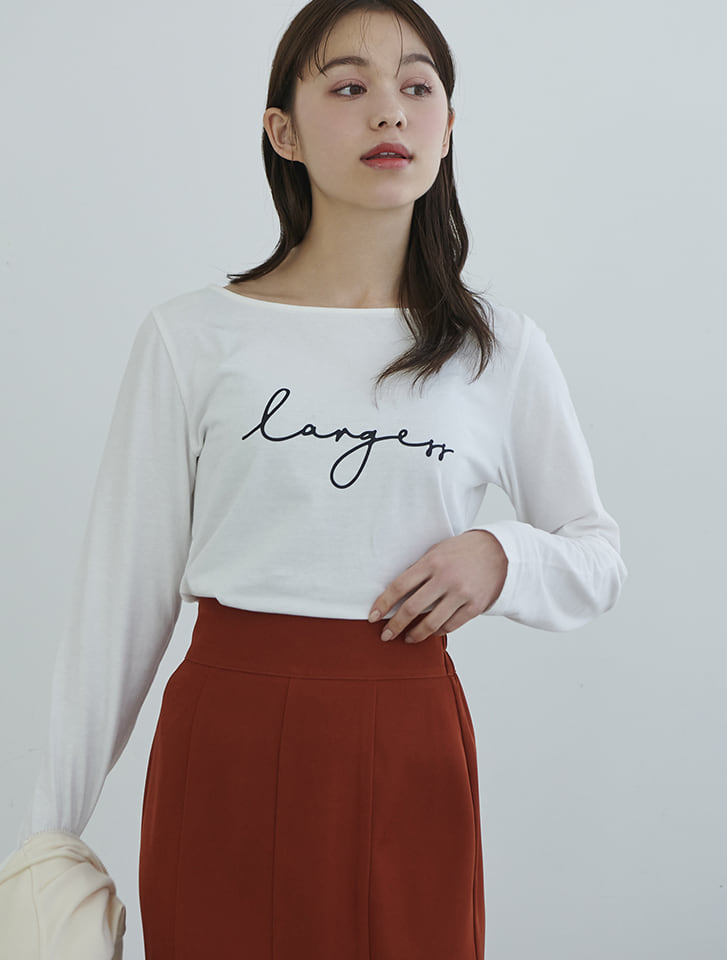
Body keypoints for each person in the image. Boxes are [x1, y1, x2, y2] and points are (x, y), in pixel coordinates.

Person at [0, 0, 627, 958]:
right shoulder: (193, 336)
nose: (390, 111)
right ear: (281, 131)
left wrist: (501, 555)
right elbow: (117, 605)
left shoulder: (496, 350)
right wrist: (45, 848)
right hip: (227, 738)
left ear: (447, 128)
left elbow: (596, 556)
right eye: (348, 87)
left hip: (408, 735)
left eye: (417, 87)